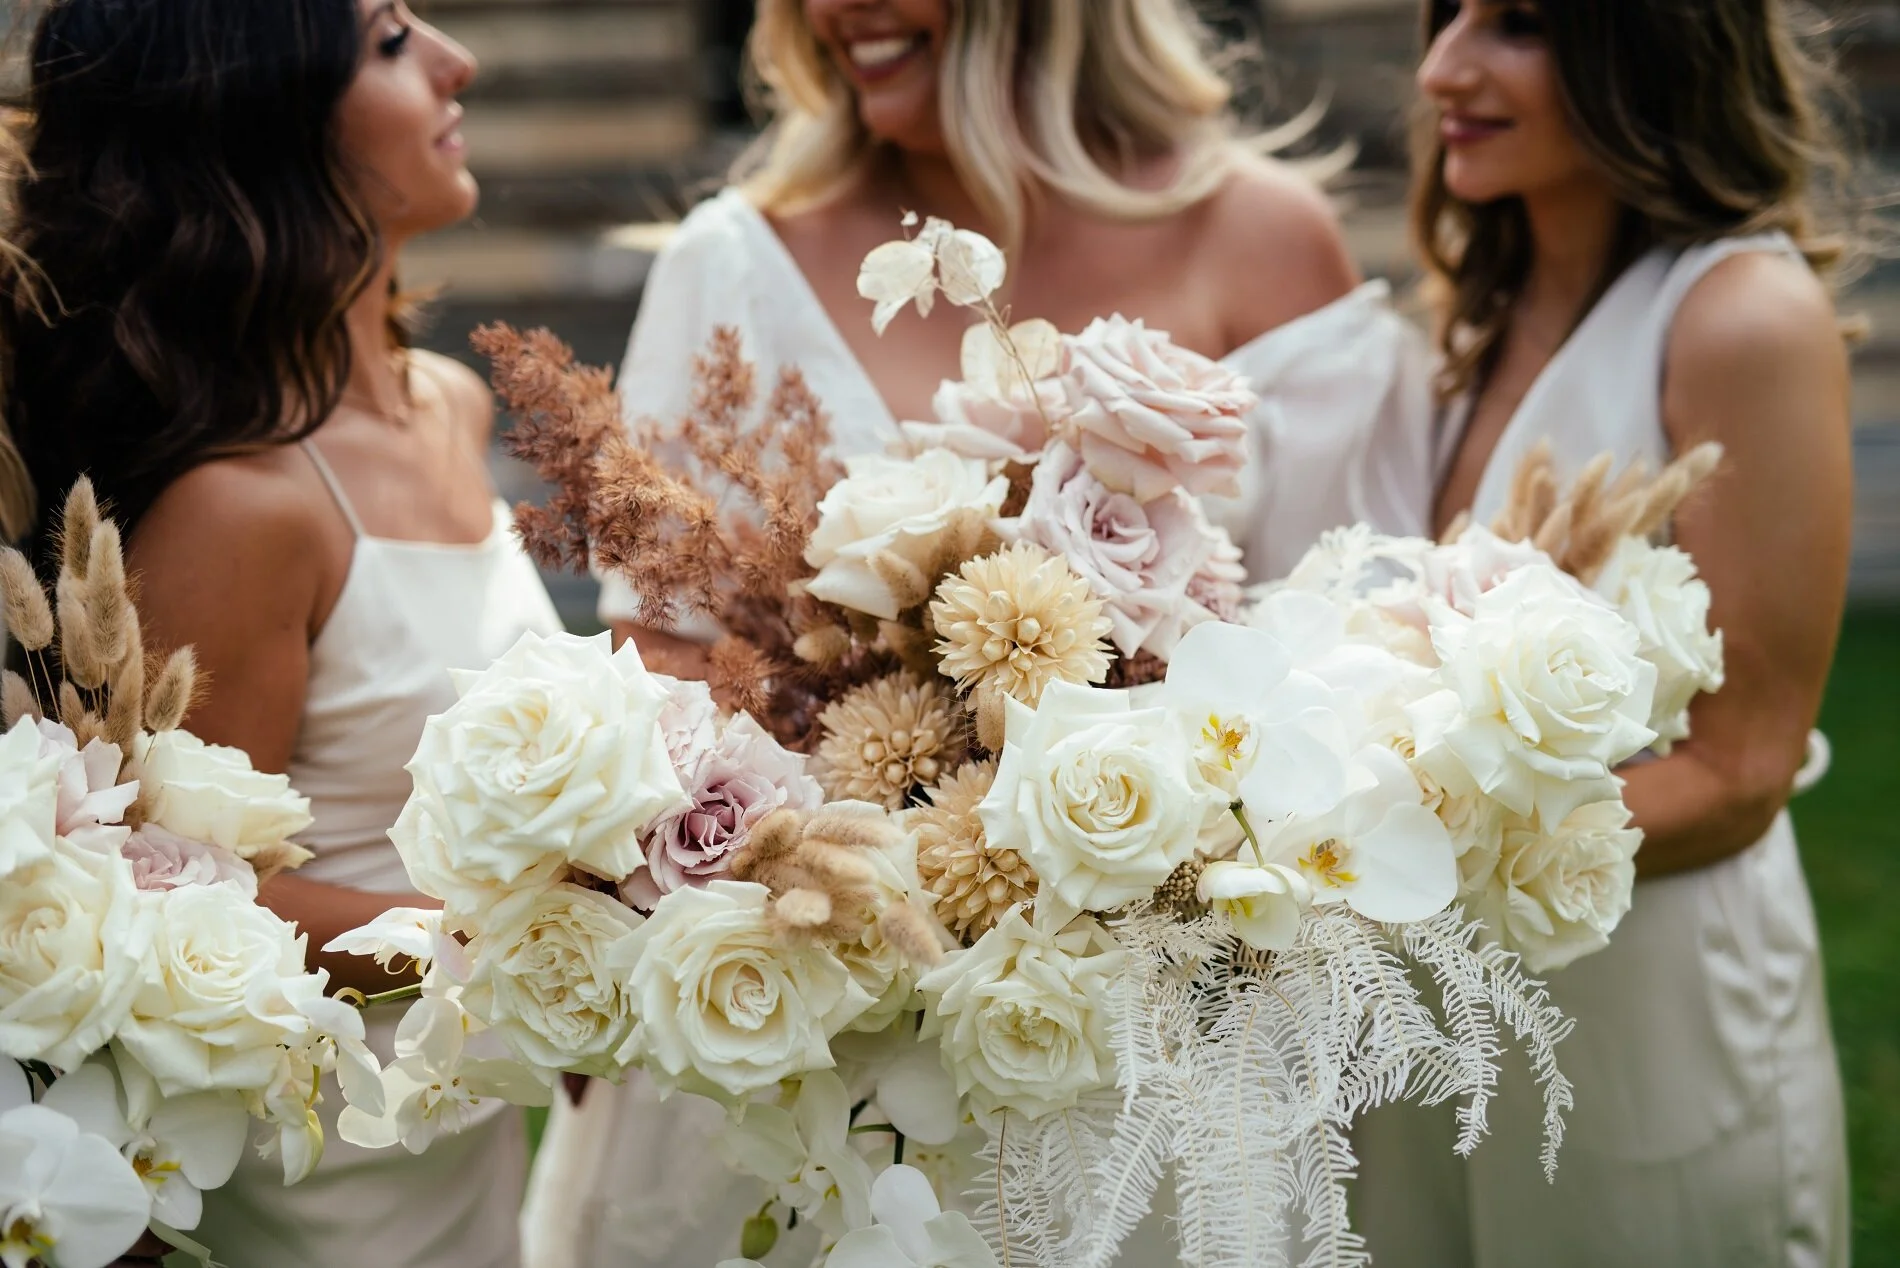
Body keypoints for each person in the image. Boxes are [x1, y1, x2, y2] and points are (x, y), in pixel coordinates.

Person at [521, 1, 1438, 1265]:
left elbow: (1350, 650)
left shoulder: (1264, 238)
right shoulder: (735, 262)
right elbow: (667, 665)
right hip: (805, 1033)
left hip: (1146, 1064)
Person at [1, 2, 560, 1265]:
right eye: (390, 41)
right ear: (263, 114)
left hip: (461, 1119)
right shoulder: (246, 508)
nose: (457, 61)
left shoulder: (450, 406)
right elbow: (182, 899)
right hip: (327, 1157)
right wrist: (547, 948)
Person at [1353, 2, 1857, 1264]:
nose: (1439, 69)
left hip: (1649, 1020)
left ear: (1651, 46)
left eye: (1517, 24)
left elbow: (1743, 771)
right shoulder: (1480, 310)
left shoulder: (1739, 321)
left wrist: (1386, 837)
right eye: (1445, 14)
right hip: (1448, 1022)